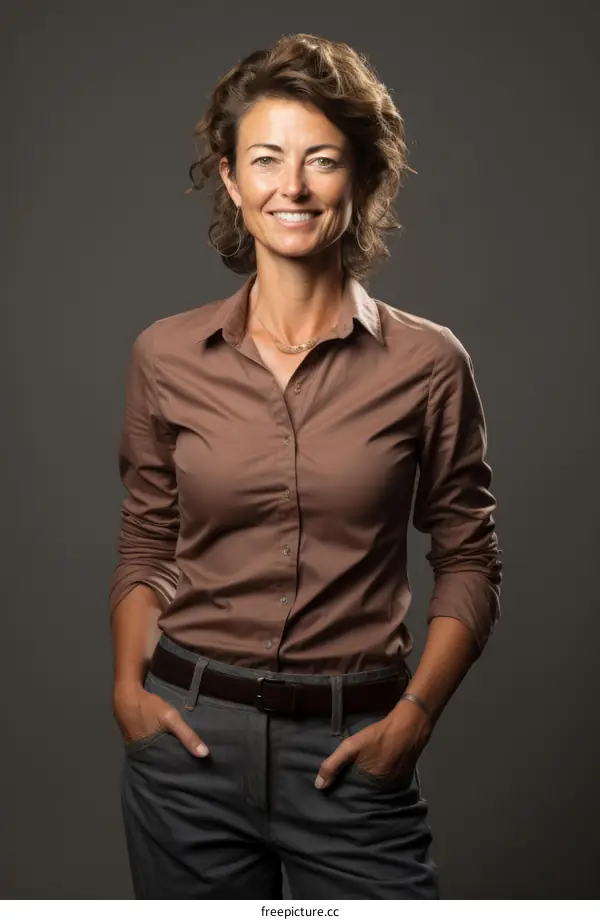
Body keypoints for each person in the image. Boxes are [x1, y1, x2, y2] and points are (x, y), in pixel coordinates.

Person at [108, 32, 502, 900]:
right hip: (186, 752)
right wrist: (129, 691)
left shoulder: (429, 364)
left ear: (360, 177)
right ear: (230, 178)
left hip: (354, 751)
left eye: (321, 160)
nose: (291, 187)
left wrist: (415, 717)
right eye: (266, 160)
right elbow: (147, 542)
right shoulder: (164, 356)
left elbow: (470, 559)